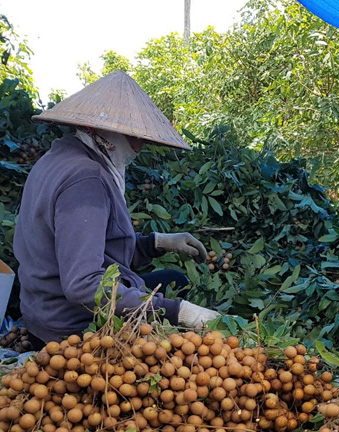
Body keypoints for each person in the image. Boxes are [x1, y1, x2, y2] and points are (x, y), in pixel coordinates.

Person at [14, 71, 221, 348]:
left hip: (41, 307)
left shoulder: (57, 156)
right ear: (106, 134)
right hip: (70, 324)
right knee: (173, 310)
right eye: (135, 138)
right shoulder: (85, 179)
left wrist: (156, 243)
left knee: (174, 279)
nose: (139, 147)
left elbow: (87, 246)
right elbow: (84, 284)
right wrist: (176, 312)